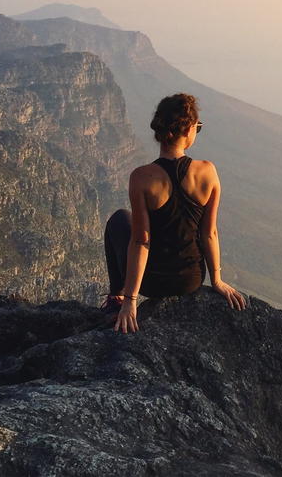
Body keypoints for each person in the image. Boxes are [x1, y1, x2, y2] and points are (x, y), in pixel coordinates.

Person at [101, 92, 247, 333]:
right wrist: (217, 280)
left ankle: (115, 299)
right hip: (191, 280)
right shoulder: (208, 172)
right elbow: (209, 233)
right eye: (197, 128)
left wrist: (130, 301)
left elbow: (140, 241)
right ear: (189, 129)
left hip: (152, 283)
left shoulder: (141, 178)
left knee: (119, 219)